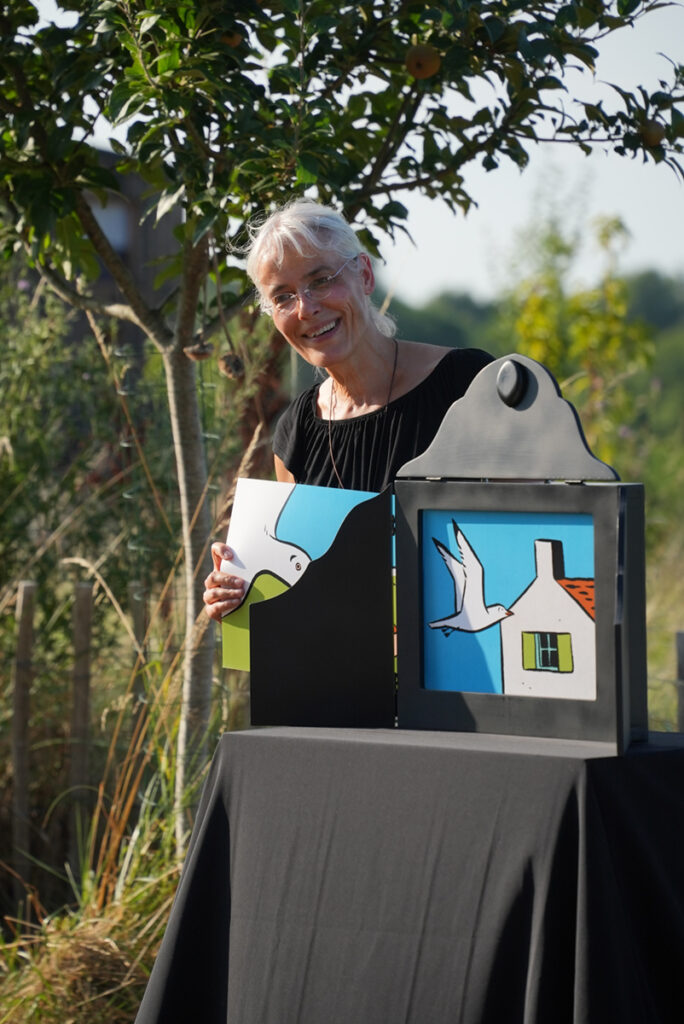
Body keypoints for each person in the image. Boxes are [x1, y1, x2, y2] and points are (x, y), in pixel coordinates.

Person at [202, 198, 493, 622]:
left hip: (460, 674)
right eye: (283, 296)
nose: (306, 308)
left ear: (366, 274)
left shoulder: (467, 384)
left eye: (320, 280)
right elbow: (297, 587)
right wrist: (240, 592)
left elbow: (531, 528)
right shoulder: (296, 431)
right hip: (344, 683)